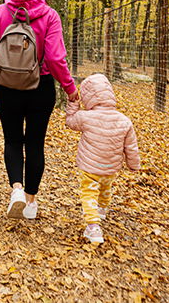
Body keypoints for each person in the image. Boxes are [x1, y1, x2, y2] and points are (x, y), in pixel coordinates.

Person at [0, 0, 79, 219]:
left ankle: (16, 188)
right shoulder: (49, 15)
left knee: (12, 139)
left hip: (7, 87)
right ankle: (30, 202)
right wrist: (70, 89)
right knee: (35, 143)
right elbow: (56, 59)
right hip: (40, 86)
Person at [65, 74, 140, 243]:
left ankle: (93, 227)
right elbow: (131, 146)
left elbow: (70, 121)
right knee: (106, 187)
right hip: (110, 167)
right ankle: (103, 209)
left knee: (89, 193)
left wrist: (73, 104)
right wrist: (133, 164)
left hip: (89, 167)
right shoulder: (124, 120)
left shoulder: (85, 117)